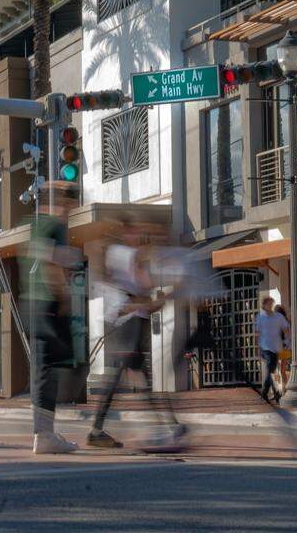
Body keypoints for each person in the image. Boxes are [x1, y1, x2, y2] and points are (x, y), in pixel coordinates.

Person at [87, 220, 183, 452]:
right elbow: (138, 291)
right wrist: (157, 299)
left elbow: (138, 291)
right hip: (127, 324)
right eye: (138, 231)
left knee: (134, 378)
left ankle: (166, 425)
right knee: (131, 378)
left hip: (127, 322)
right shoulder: (126, 254)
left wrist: (153, 300)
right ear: (127, 231)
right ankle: (164, 426)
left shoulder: (122, 254)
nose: (142, 235)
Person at [20, 180, 83, 455]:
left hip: (32, 304)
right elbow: (49, 259)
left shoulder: (37, 224)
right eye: (70, 200)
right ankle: (44, 435)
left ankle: (42, 432)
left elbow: (38, 254)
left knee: (42, 368)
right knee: (49, 371)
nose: (72, 206)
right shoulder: (55, 226)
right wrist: (65, 294)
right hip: (48, 303)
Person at [256, 296, 289, 404]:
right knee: (271, 370)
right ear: (264, 305)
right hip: (265, 348)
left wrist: (288, 341)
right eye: (268, 303)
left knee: (271, 371)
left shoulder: (278, 317)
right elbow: (257, 333)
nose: (270, 305)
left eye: (272, 303)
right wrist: (258, 347)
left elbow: (286, 328)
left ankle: (275, 394)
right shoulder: (261, 318)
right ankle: (266, 393)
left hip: (276, 348)